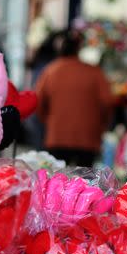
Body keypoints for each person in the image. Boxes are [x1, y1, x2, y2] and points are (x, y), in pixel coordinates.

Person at [36, 30, 113, 167]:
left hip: (57, 136)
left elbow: (39, 103)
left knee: (57, 181)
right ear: (78, 49)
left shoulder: (50, 71)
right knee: (86, 182)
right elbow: (107, 102)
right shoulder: (94, 72)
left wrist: (48, 122)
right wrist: (102, 126)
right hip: (88, 138)